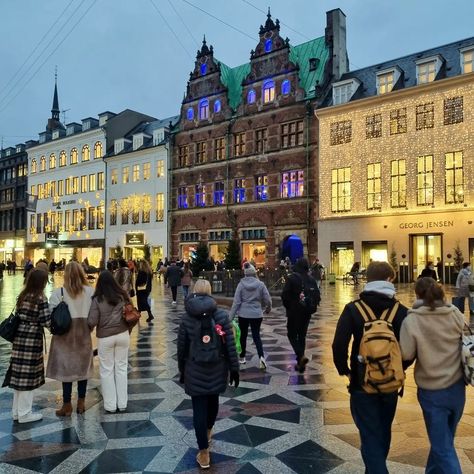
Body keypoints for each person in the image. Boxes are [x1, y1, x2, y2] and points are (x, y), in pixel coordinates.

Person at [332, 261, 408, 474]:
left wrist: (345, 370)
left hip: (361, 382)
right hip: (391, 383)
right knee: (383, 430)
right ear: (389, 280)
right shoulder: (401, 311)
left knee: (369, 433)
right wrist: (398, 367)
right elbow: (411, 349)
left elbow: (339, 343)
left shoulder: (353, 309)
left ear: (368, 279)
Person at [400, 277, 465, 474]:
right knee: (444, 441)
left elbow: (406, 353)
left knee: (442, 447)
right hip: (457, 388)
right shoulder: (455, 313)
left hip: (432, 391)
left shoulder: (413, 319)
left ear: (417, 294)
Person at [177, 279, 239, 469]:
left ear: (195, 292)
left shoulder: (187, 317)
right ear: (210, 292)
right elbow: (230, 345)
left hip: (194, 369)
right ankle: (209, 430)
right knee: (213, 401)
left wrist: (182, 369)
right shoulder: (221, 315)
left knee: (198, 409)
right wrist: (234, 368)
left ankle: (203, 452)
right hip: (217, 367)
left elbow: (181, 347)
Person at [2, 269, 51, 423]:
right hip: (31, 339)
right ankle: (25, 413)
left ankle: (16, 411)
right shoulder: (40, 298)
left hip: (19, 337)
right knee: (28, 377)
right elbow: (46, 321)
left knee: (19, 375)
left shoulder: (23, 295)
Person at [46, 262, 94, 416]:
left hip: (64, 338)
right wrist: (90, 328)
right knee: (82, 370)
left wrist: (53, 329)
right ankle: (81, 402)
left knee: (66, 372)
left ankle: (67, 405)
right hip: (83, 335)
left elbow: (49, 317)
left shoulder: (58, 293)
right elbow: (94, 315)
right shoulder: (90, 291)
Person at [88, 271, 131, 413]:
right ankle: (123, 403)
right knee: (121, 368)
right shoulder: (123, 295)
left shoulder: (97, 299)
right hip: (123, 335)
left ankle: (111, 405)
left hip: (105, 337)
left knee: (106, 370)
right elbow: (131, 313)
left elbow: (92, 321)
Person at [229, 263, 272, 369]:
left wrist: (230, 318)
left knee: (243, 335)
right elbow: (268, 300)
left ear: (245, 273)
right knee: (256, 336)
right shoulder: (261, 284)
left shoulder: (241, 285)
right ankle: (261, 357)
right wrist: (268, 308)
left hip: (243, 314)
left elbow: (236, 302)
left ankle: (242, 357)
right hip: (257, 314)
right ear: (254, 273)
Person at [281, 258, 320, 373]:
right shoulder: (311, 279)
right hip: (307, 312)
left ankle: (300, 356)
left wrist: (289, 307)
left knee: (292, 334)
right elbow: (317, 295)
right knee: (302, 336)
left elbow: (285, 295)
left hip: (294, 312)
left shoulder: (293, 278)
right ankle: (300, 364)